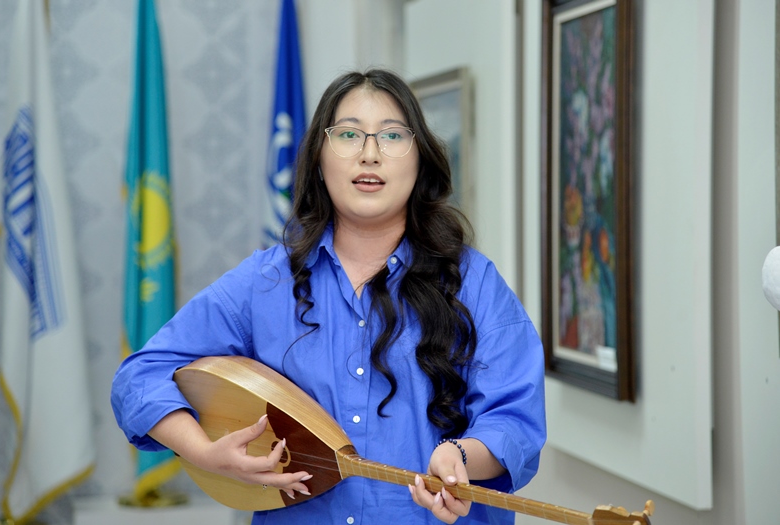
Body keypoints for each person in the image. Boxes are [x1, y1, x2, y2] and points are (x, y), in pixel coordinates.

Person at [111, 68, 546, 525]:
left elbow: (515, 421)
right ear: (319, 159)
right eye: (349, 134)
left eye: (392, 136)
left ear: (420, 160)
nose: (370, 154)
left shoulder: (473, 283)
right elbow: (140, 375)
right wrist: (204, 453)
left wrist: (462, 457)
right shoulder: (265, 281)